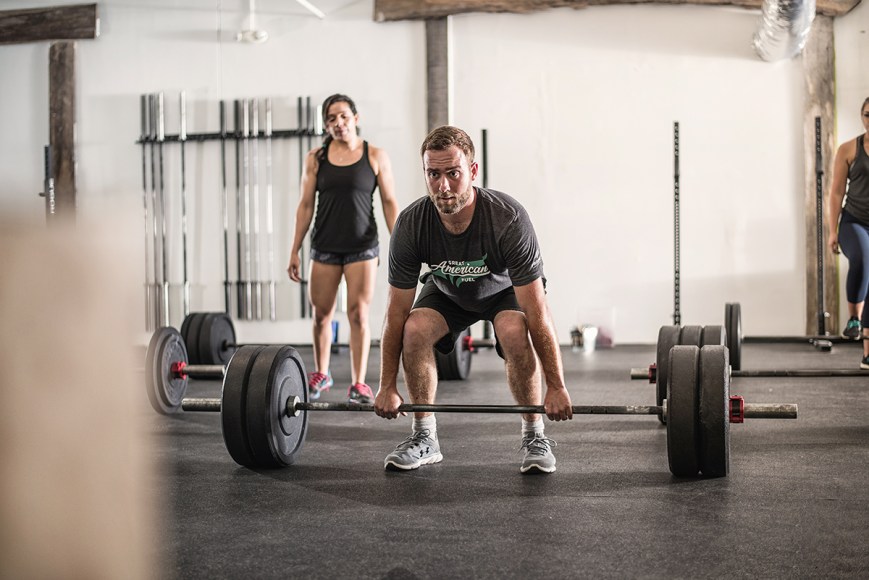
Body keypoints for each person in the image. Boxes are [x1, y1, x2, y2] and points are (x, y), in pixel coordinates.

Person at [373, 125, 573, 475]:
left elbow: (537, 311)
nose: (443, 186)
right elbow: (395, 312)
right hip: (448, 289)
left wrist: (556, 386)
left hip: (501, 289)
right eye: (433, 174)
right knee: (414, 328)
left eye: (453, 173)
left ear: (473, 171)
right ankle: (424, 437)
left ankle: (534, 435)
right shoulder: (411, 224)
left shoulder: (507, 218)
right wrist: (386, 385)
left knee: (514, 329)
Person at [288, 94, 399, 404]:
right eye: (331, 119)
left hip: (362, 247)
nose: (338, 123)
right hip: (324, 245)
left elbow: (390, 202)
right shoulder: (316, 158)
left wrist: (401, 243)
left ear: (356, 118)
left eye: (343, 117)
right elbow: (305, 205)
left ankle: (359, 383)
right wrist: (295, 249)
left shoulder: (375, 156)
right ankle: (321, 373)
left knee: (358, 315)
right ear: (326, 125)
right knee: (321, 315)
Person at [828, 97, 869, 367]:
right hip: (853, 222)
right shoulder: (848, 149)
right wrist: (833, 231)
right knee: (865, 258)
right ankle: (854, 317)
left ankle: (867, 349)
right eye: (867, 114)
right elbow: (835, 192)